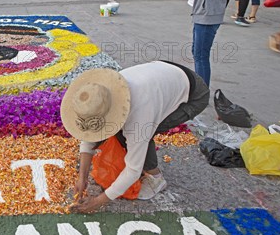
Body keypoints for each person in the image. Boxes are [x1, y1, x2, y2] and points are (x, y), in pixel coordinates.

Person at [63, 61, 209, 213]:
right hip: (165, 74)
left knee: (136, 135)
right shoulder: (104, 95)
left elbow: (133, 169)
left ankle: (156, 178)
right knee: (120, 132)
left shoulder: (138, 118)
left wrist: (98, 201)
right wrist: (82, 176)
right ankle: (145, 162)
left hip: (194, 95)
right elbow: (90, 133)